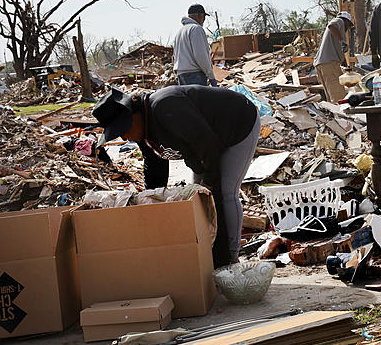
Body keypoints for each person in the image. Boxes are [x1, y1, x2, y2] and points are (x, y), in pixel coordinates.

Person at [93, 85, 261, 268]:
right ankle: (208, 254)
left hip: (238, 123)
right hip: (203, 147)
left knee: (226, 191)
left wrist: (210, 182)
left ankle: (231, 257)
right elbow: (155, 167)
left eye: (123, 130)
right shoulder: (144, 131)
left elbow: (207, 144)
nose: (125, 138)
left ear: (134, 116)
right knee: (201, 198)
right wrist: (149, 201)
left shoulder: (166, 107)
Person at [314, 10, 354, 102]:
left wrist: (343, 60)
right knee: (339, 97)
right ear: (346, 21)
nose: (347, 28)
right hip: (329, 64)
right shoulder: (339, 21)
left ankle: (334, 116)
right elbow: (332, 26)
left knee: (331, 99)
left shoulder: (334, 34)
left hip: (321, 64)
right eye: (348, 25)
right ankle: (342, 116)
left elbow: (334, 48)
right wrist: (342, 41)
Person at [174, 4, 217, 86]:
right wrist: (211, 76)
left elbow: (175, 56)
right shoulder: (196, 29)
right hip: (194, 74)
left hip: (181, 75)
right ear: (200, 16)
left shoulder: (180, 32)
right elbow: (201, 56)